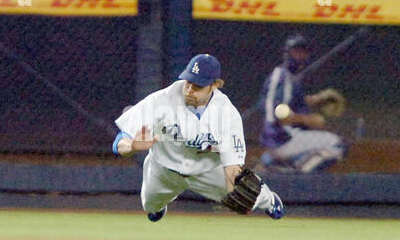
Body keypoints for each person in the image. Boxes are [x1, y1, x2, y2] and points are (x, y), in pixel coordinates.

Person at [112, 54, 284, 222]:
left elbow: (232, 164)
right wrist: (132, 147)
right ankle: (159, 207)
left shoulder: (227, 115)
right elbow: (120, 140)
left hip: (207, 170)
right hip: (164, 169)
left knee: (249, 195)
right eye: (188, 82)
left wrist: (233, 191)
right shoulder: (160, 101)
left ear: (215, 85)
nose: (189, 90)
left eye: (197, 86)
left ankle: (270, 200)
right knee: (150, 206)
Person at [258, 34, 347, 173]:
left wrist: (314, 100)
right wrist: (308, 120)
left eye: (303, 52)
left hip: (278, 138)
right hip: (282, 139)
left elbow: (284, 102)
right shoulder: (283, 76)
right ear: (287, 53)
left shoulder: (286, 76)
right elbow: (278, 112)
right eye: (296, 51)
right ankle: (299, 177)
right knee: (338, 144)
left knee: (312, 137)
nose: (300, 55)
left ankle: (274, 164)